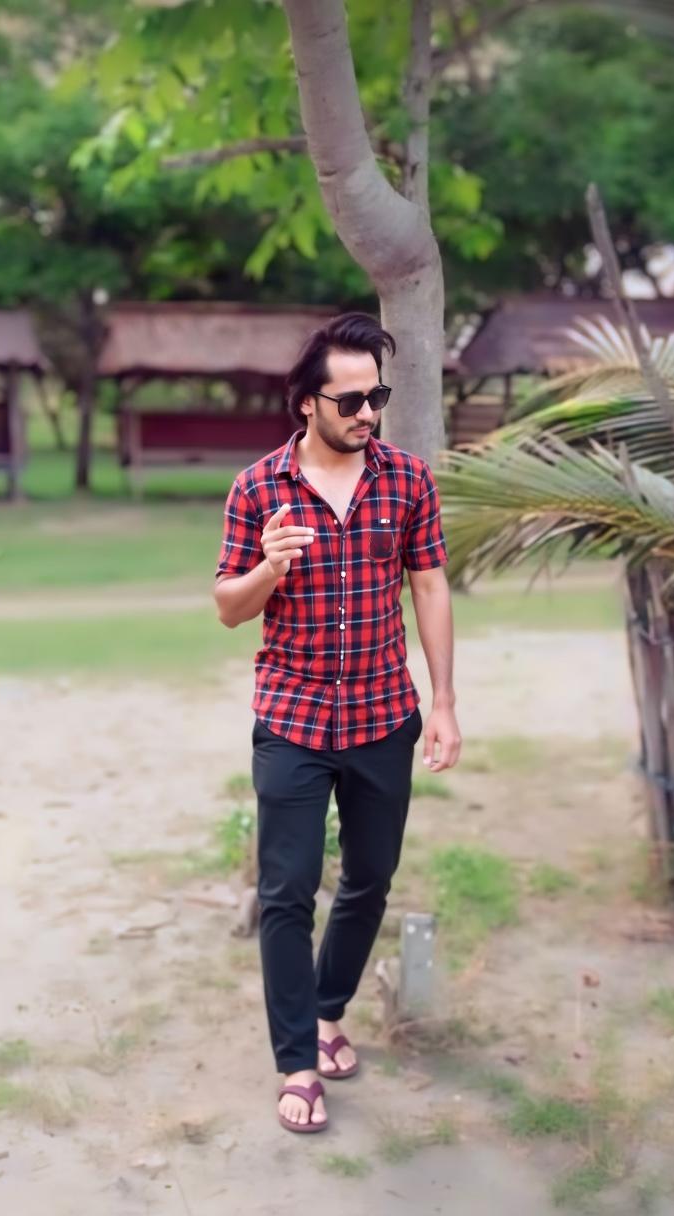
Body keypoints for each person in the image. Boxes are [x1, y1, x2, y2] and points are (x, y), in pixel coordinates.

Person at [213, 312, 461, 1134]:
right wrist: (269, 567)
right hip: (291, 718)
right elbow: (226, 609)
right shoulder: (258, 489)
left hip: (384, 714)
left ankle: (327, 1012)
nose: (367, 412)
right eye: (350, 398)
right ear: (306, 404)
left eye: (377, 396)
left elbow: (428, 586)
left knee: (369, 878)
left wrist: (446, 704)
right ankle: (296, 1061)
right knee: (286, 893)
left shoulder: (406, 480)